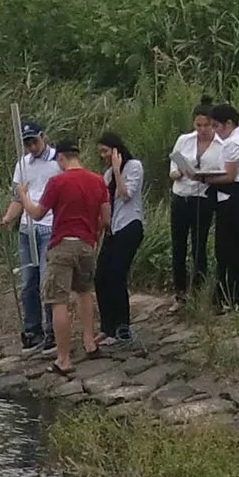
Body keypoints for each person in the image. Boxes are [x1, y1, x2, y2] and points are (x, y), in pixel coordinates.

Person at [26, 135, 109, 373]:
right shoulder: (98, 181)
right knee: (84, 292)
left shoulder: (57, 182)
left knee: (58, 300)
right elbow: (105, 219)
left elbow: (38, 213)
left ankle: (63, 359)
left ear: (61, 158)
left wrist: (23, 195)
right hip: (87, 244)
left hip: (62, 244)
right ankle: (89, 341)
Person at [0, 121, 60, 351]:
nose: (31, 146)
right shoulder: (22, 164)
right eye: (27, 143)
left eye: (34, 141)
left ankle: (52, 331)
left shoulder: (58, 161)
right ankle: (33, 330)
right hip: (27, 228)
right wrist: (7, 218)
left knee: (47, 281)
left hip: (50, 226)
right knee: (27, 283)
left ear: (43, 136)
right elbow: (18, 198)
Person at [93, 131, 145, 348]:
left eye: (106, 151)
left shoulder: (134, 167)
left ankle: (122, 326)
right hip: (112, 228)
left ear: (116, 150)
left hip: (130, 225)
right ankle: (107, 326)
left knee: (116, 276)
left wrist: (117, 168)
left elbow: (125, 194)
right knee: (101, 276)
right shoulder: (106, 176)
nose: (103, 156)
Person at [203, 101, 239, 310]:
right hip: (229, 199)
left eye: (216, 126)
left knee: (230, 251)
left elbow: (229, 175)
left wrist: (205, 179)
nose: (215, 131)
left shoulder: (236, 142)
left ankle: (238, 297)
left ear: (228, 124)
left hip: (234, 201)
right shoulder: (235, 140)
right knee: (225, 251)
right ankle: (227, 295)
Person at [166, 105, 214, 303]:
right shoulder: (184, 141)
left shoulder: (218, 144)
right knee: (178, 245)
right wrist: (180, 172)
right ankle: (179, 292)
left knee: (199, 246)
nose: (202, 129)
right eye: (198, 125)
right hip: (181, 194)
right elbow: (174, 165)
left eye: (206, 125)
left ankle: (198, 290)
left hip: (202, 197)